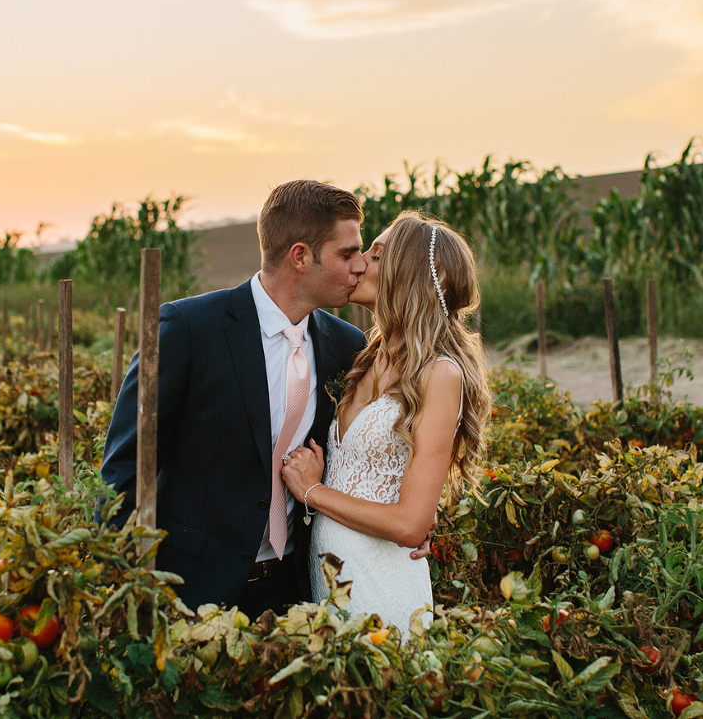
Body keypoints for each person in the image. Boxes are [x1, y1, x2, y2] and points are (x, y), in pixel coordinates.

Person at [100, 179, 368, 618]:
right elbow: (124, 467)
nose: (360, 266)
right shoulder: (188, 329)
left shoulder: (346, 345)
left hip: (297, 590)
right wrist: (116, 588)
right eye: (347, 253)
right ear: (300, 256)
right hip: (189, 589)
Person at [281, 211, 491, 635]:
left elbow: (412, 525)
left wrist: (313, 492)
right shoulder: (361, 355)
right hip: (332, 580)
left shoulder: (439, 374)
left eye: (375, 256)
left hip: (384, 589)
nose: (359, 263)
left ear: (406, 275)